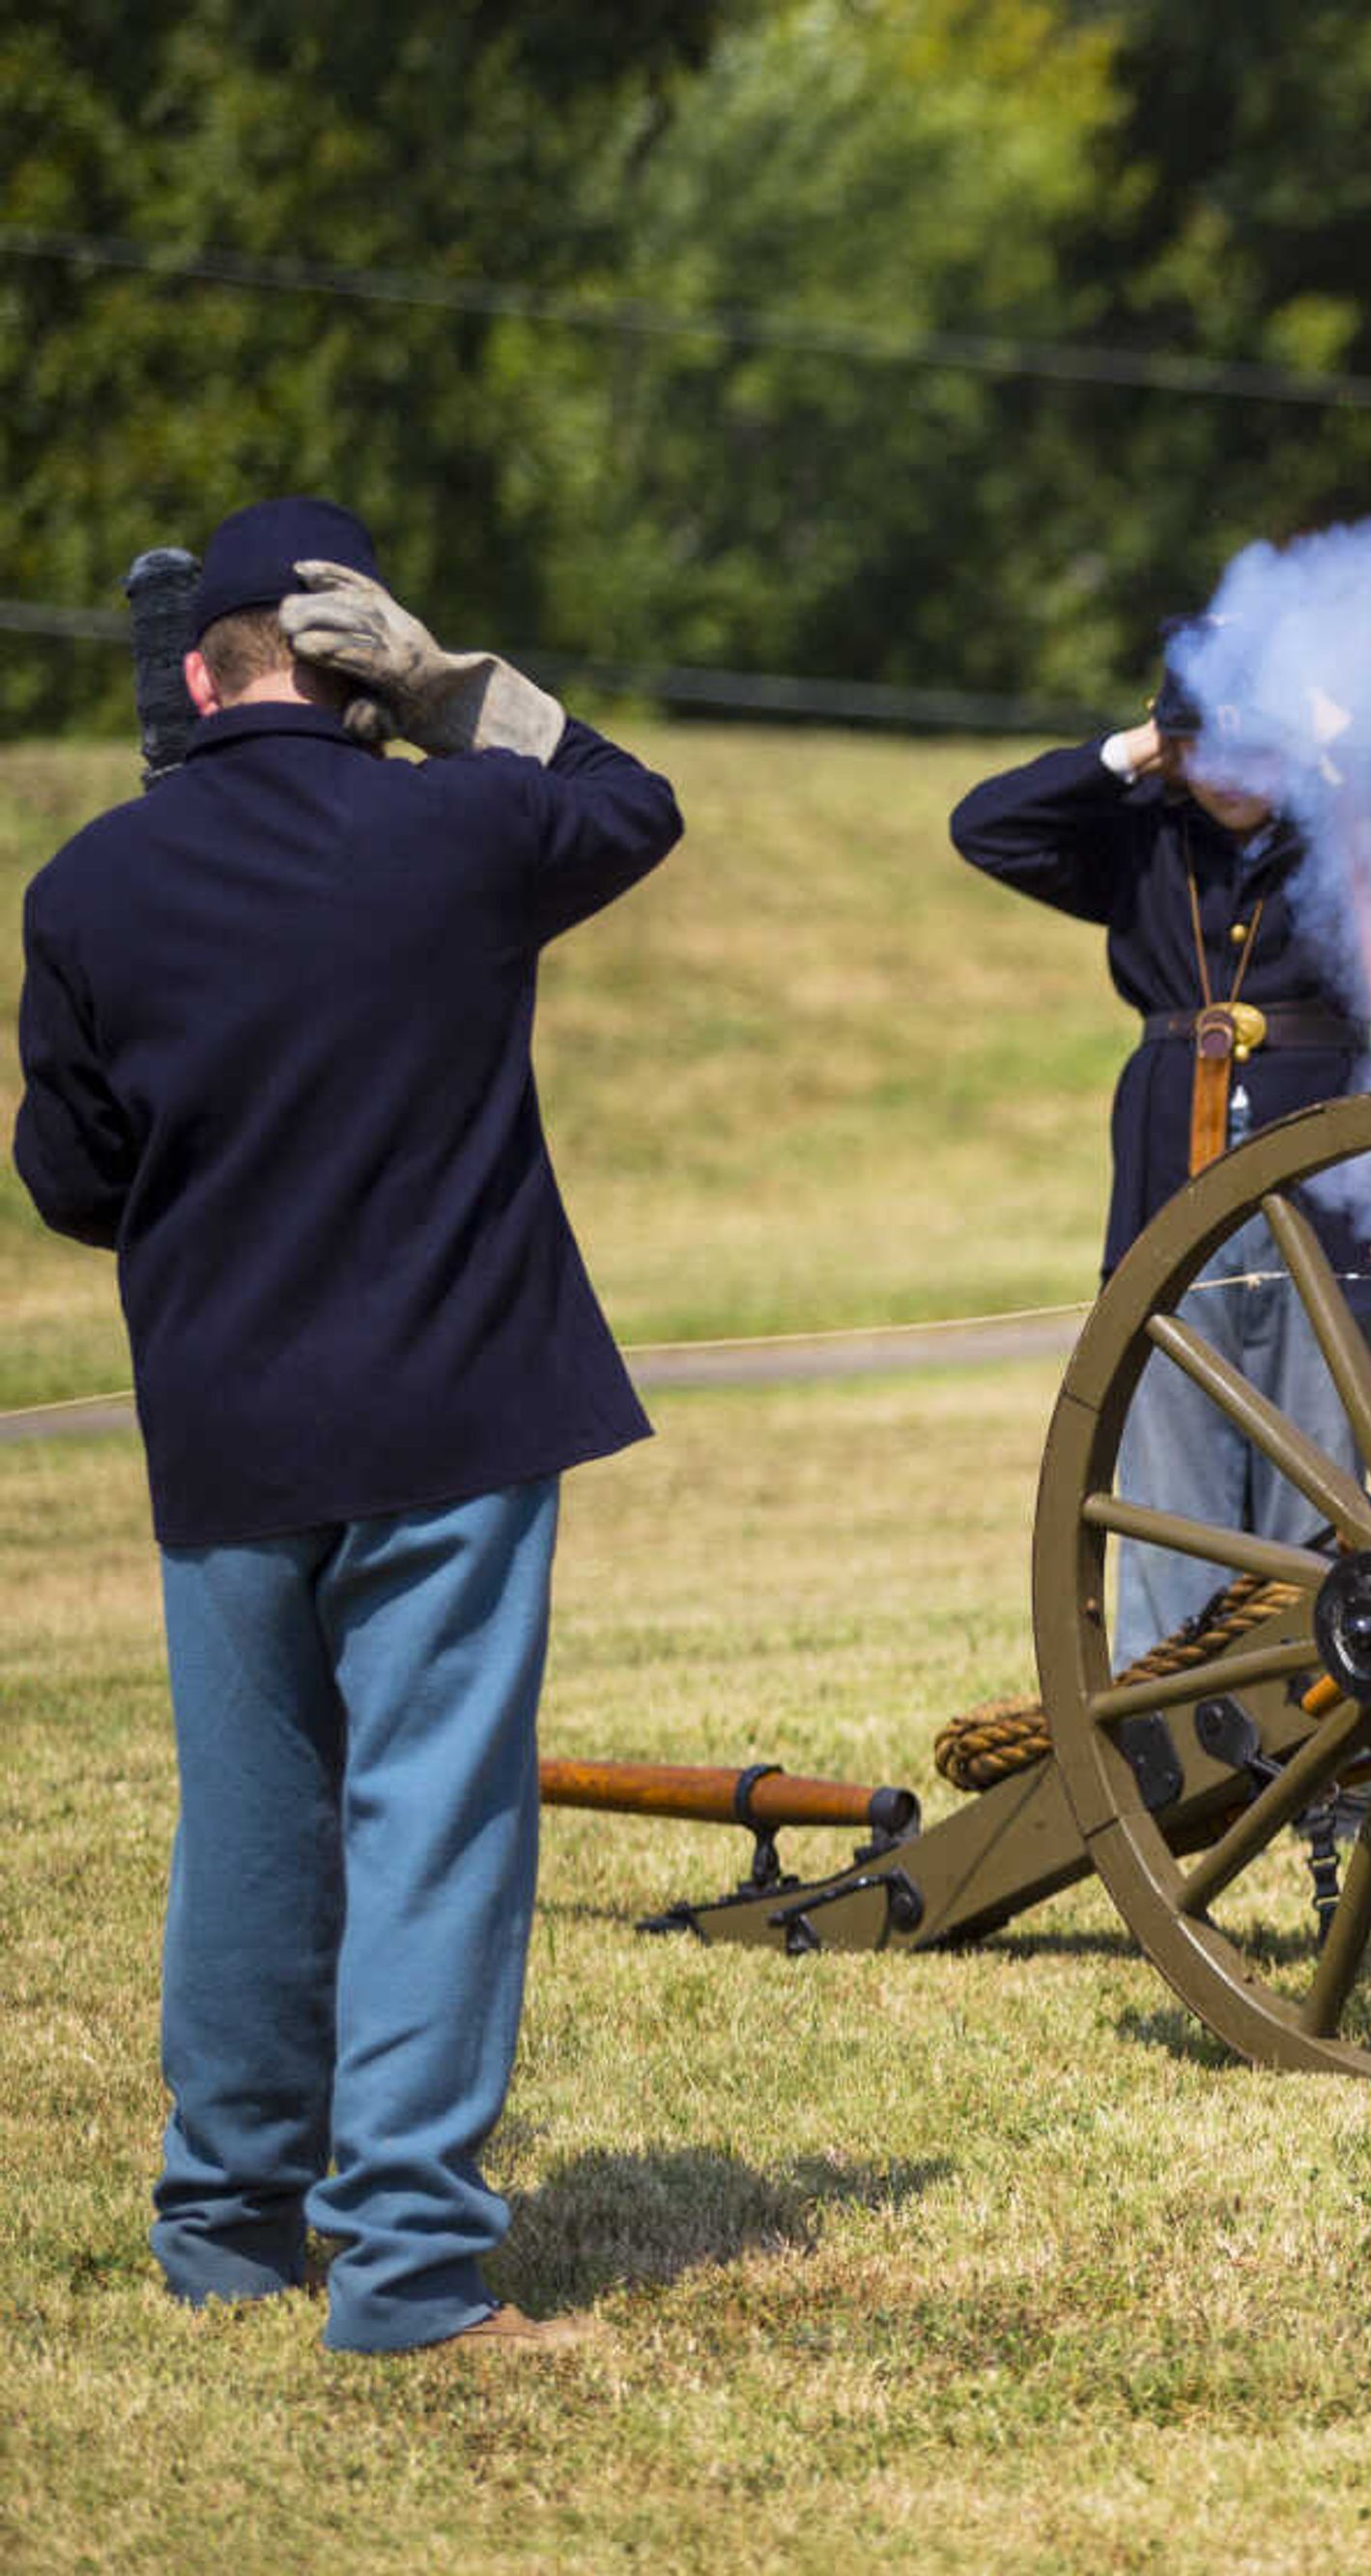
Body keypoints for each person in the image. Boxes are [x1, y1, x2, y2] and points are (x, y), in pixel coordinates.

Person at [13, 497, 683, 2350]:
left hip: (225, 1428)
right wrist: (467, 693)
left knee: (249, 1827)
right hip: (456, 1408)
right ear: (357, 650)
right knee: (434, 1832)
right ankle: (402, 2267)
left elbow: (72, 1183)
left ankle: (226, 2225)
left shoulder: (83, 889)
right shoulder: (458, 823)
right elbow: (635, 805)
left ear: (202, 666)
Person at [951, 616, 1371, 1660]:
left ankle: (1323, 1736)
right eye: (1208, 749)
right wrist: (1129, 751)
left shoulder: (1352, 838)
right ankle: (1169, 1722)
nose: (1233, 776)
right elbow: (986, 827)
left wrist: (1340, 732)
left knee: (1320, 1472)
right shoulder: (1139, 830)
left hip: (1328, 1197)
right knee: (1173, 1485)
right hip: (1169, 1185)